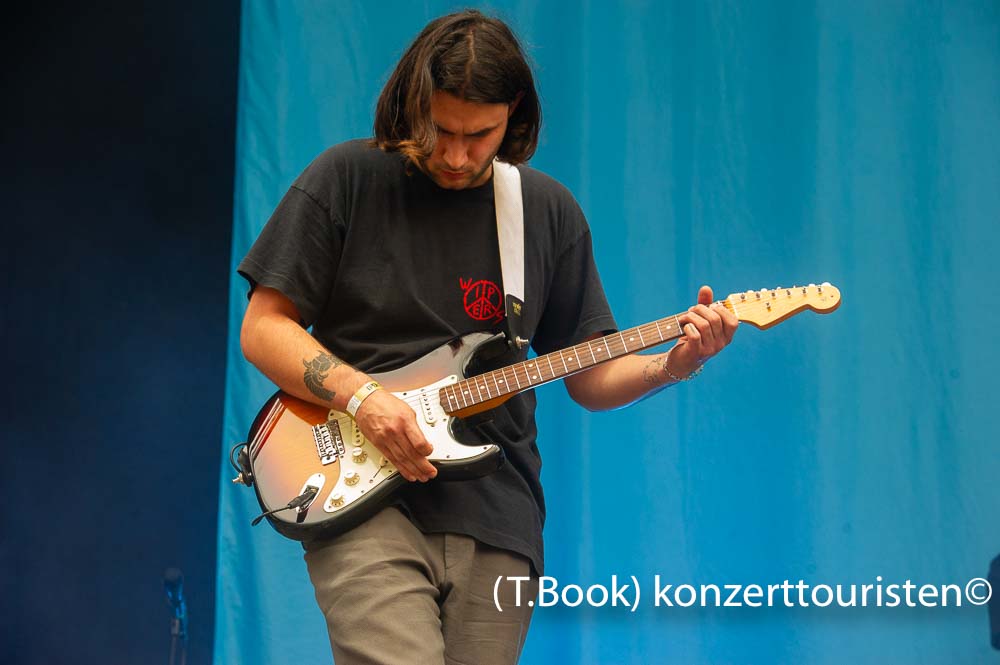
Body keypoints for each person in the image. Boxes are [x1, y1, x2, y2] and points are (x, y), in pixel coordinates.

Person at [238, 9, 738, 665]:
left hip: (499, 511)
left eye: (479, 135)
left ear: (515, 116)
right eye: (441, 130)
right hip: (358, 493)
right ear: (412, 103)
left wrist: (672, 365)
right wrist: (364, 398)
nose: (456, 154)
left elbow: (588, 375)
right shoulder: (346, 179)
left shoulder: (545, 212)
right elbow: (263, 327)